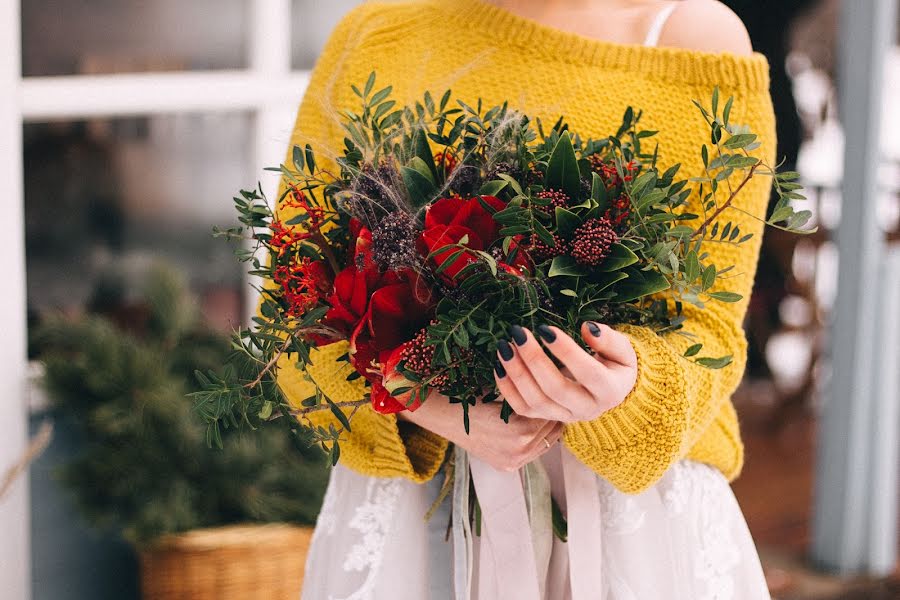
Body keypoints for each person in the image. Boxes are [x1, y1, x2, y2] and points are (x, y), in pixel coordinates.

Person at [278, 1, 775, 598]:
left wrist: (629, 386)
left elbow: (711, 328)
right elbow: (291, 304)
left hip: (624, 532)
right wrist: (426, 406)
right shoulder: (379, 33)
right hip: (418, 527)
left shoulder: (690, 36)